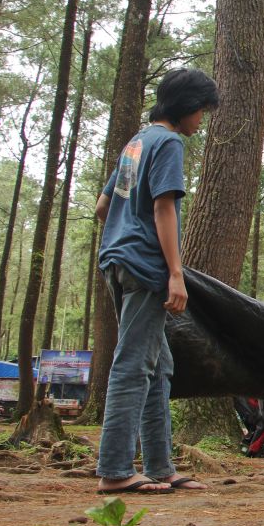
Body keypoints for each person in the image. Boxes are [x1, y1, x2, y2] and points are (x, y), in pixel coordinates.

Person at [94, 68, 219, 494]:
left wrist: (125, 231)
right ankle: (114, 470)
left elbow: (102, 206)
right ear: (186, 108)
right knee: (133, 365)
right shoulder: (167, 142)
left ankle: (161, 466)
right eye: (201, 111)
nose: (201, 121)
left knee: (159, 365)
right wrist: (175, 273)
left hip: (116, 259)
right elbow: (165, 208)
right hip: (146, 265)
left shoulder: (135, 142)